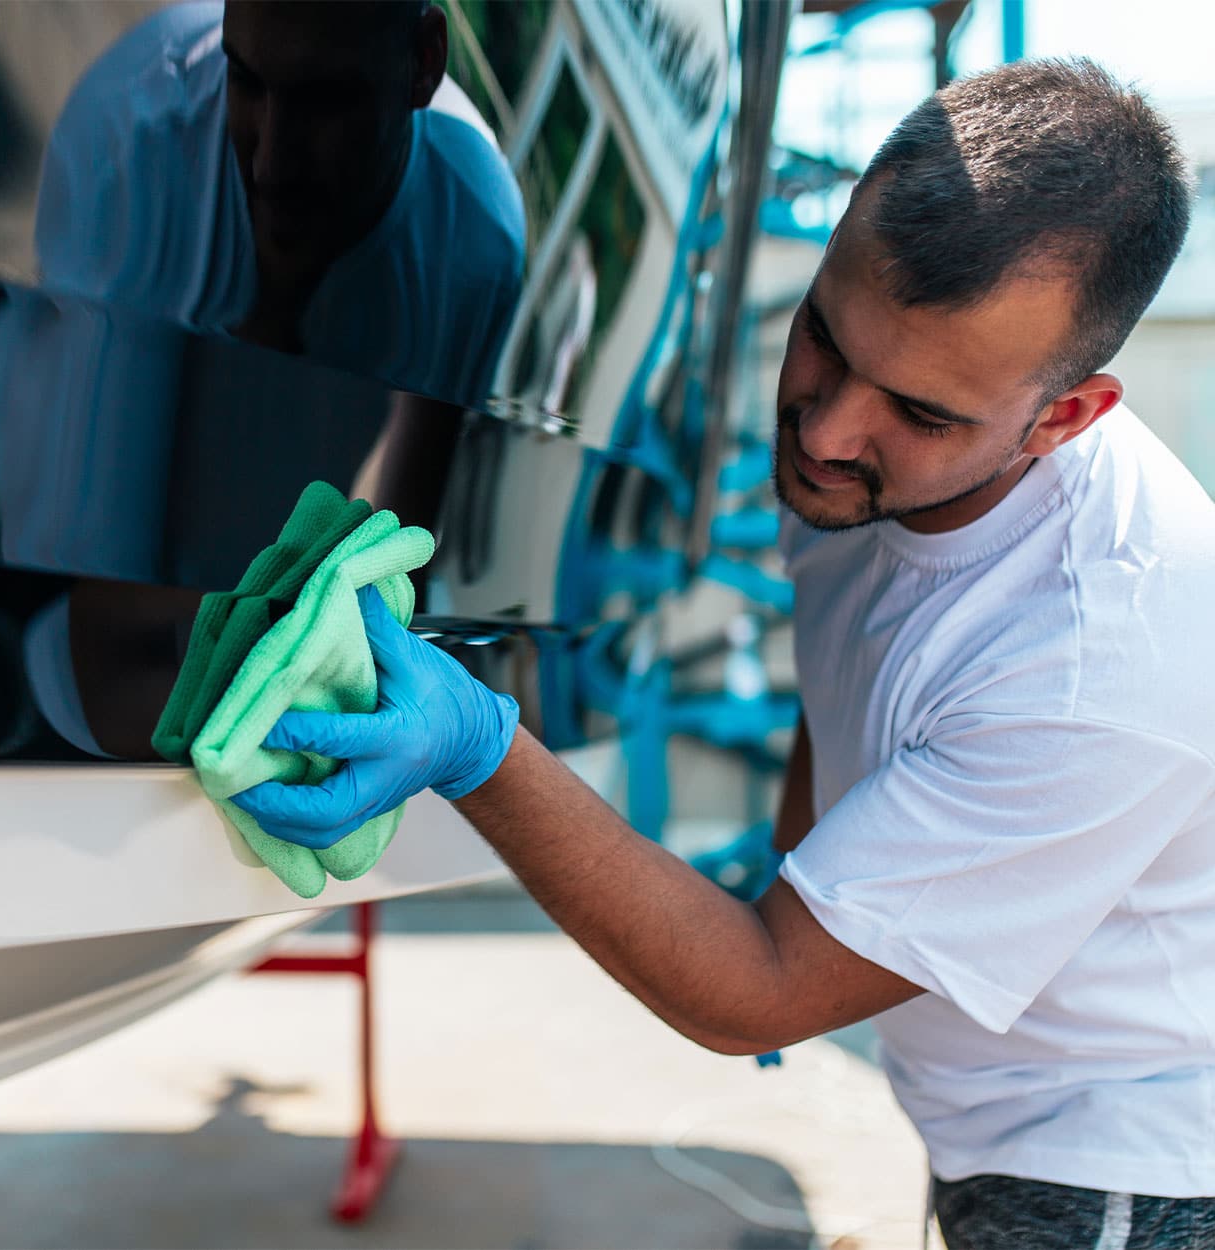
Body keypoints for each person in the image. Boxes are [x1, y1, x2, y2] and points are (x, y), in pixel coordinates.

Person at [232, 59, 1215, 1248]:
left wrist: (479, 747)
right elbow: (853, 649)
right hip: (994, 1116)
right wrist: (802, 855)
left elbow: (756, 987)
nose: (825, 427)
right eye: (823, 339)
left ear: (1063, 417)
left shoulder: (1100, 662)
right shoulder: (870, 473)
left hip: (1118, 1168)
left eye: (918, 413)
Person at [35, 0, 525, 407]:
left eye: (323, 101)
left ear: (423, 63)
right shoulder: (120, 159)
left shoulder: (478, 253)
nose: (270, 164)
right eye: (245, 79)